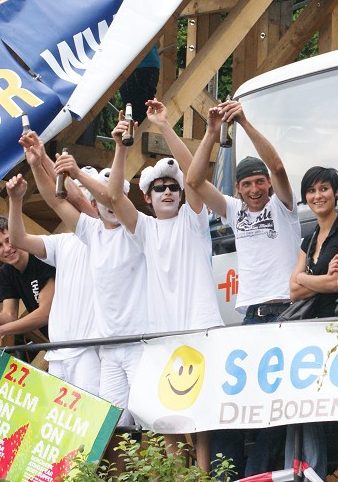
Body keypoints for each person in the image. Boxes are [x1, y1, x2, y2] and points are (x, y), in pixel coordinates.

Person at [107, 100, 223, 469]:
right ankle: (178, 476)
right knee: (165, 417)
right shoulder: (144, 228)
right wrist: (120, 149)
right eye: (159, 188)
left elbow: (194, 175)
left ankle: (202, 477)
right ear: (148, 196)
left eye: (172, 187)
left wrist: (164, 126)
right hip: (160, 337)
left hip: (201, 329)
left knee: (202, 418)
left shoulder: (194, 219)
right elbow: (112, 196)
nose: (169, 192)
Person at [188, 99, 300, 477]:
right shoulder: (234, 211)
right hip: (252, 317)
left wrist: (246, 123)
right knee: (234, 403)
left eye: (259, 182)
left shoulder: (284, 207)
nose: (254, 189)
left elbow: (280, 165)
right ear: (237, 188)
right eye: (247, 184)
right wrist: (211, 131)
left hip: (286, 314)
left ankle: (255, 473)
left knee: (275, 407)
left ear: (267, 183)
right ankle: (227, 474)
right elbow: (193, 182)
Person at [46, 153, 149, 432]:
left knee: (151, 420)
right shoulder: (92, 231)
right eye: (99, 201)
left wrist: (78, 172)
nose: (108, 204)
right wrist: (37, 157)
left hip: (140, 343)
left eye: (114, 199)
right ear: (94, 204)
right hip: (108, 349)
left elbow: (111, 197)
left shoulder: (138, 229)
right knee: (110, 429)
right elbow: (56, 202)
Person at [285, 166, 338, 480]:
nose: (318, 196)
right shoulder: (309, 236)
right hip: (309, 332)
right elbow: (292, 290)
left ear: (336, 193)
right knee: (303, 406)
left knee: (337, 408)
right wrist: (315, 278)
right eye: (312, 190)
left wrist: (307, 278)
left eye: (324, 189)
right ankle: (302, 472)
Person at [11, 134, 101, 395]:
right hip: (58, 350)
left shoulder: (102, 235)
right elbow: (18, 239)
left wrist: (41, 160)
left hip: (88, 351)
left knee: (93, 423)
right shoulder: (62, 242)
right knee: (63, 430)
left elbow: (61, 199)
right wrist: (16, 200)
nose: (78, 200)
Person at [0, 216, 54, 361]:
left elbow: (45, 313)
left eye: (9, 240)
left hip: (84, 338)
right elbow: (9, 316)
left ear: (18, 235)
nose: (7, 248)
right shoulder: (6, 272)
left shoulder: (40, 256)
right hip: (58, 344)